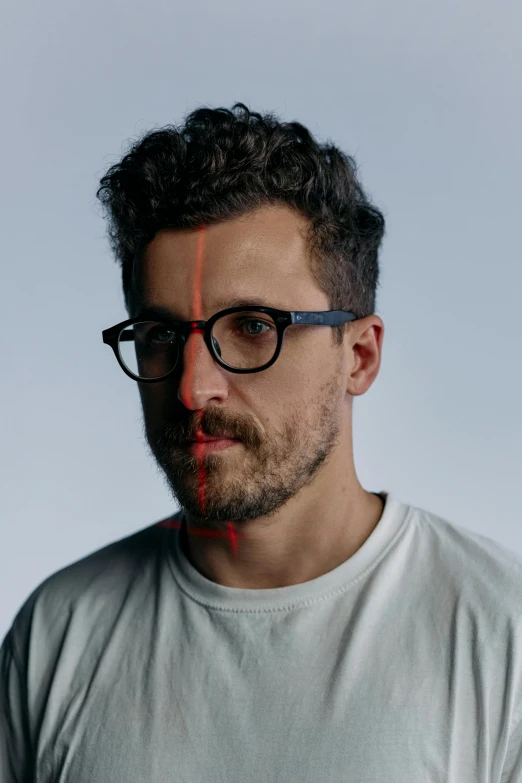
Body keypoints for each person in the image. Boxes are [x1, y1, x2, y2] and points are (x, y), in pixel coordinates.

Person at [1, 103, 521, 782]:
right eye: (160, 334)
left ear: (358, 356)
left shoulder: (499, 635)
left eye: (250, 326)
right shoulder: (57, 634)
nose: (193, 388)